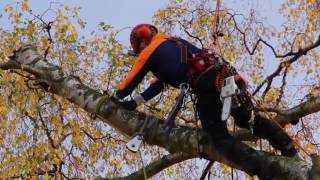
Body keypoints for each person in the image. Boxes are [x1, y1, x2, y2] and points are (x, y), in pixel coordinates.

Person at [112, 24, 297, 177]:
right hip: (223, 75)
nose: (140, 52)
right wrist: (134, 102)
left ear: (142, 40)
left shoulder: (150, 50)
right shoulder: (173, 43)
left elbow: (129, 81)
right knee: (246, 119)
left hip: (206, 85)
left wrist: (115, 98)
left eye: (139, 48)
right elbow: (159, 84)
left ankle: (265, 169)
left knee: (219, 137)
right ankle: (285, 143)